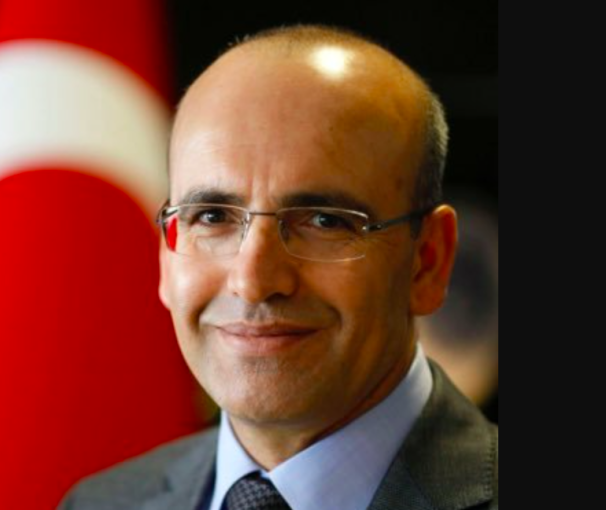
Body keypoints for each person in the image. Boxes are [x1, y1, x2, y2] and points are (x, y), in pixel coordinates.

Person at [60, 24, 498, 510]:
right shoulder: (99, 503)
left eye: (324, 221)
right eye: (213, 217)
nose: (252, 282)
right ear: (166, 252)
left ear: (427, 262)